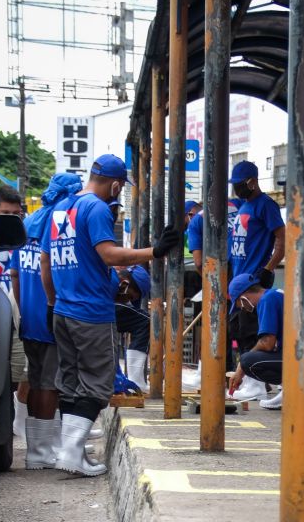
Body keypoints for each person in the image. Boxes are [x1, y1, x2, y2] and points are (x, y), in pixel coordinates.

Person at [40, 154, 179, 476]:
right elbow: (108, 254)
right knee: (98, 383)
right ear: (116, 184)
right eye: (120, 187)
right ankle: (73, 453)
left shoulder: (61, 208)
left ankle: (68, 450)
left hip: (62, 309)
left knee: (71, 382)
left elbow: (47, 263)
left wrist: (52, 304)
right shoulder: (98, 208)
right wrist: (154, 251)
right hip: (90, 312)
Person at [11, 172, 83, 468]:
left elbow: (15, 273)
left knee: (39, 380)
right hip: (52, 313)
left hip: (29, 315)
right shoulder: (60, 223)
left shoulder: (26, 223)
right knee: (49, 385)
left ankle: (39, 449)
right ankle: (40, 453)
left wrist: (25, 306)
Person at [226, 273, 304, 408]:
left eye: (239, 304)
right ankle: (291, 392)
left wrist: (240, 368)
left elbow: (267, 343)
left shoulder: (267, 300)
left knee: (247, 361)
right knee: (258, 357)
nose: (242, 308)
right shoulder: (277, 294)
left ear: (244, 297)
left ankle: (292, 393)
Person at [0, 183, 31, 437]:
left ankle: (18, 424)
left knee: (24, 371)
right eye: (5, 214)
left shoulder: (24, 239)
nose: (11, 219)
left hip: (18, 314)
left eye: (16, 215)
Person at [114, 264, 151, 388]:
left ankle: (134, 380)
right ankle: (135, 380)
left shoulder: (118, 287)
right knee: (145, 321)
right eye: (129, 297)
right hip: (91, 309)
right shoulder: (111, 279)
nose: (126, 301)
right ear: (126, 284)